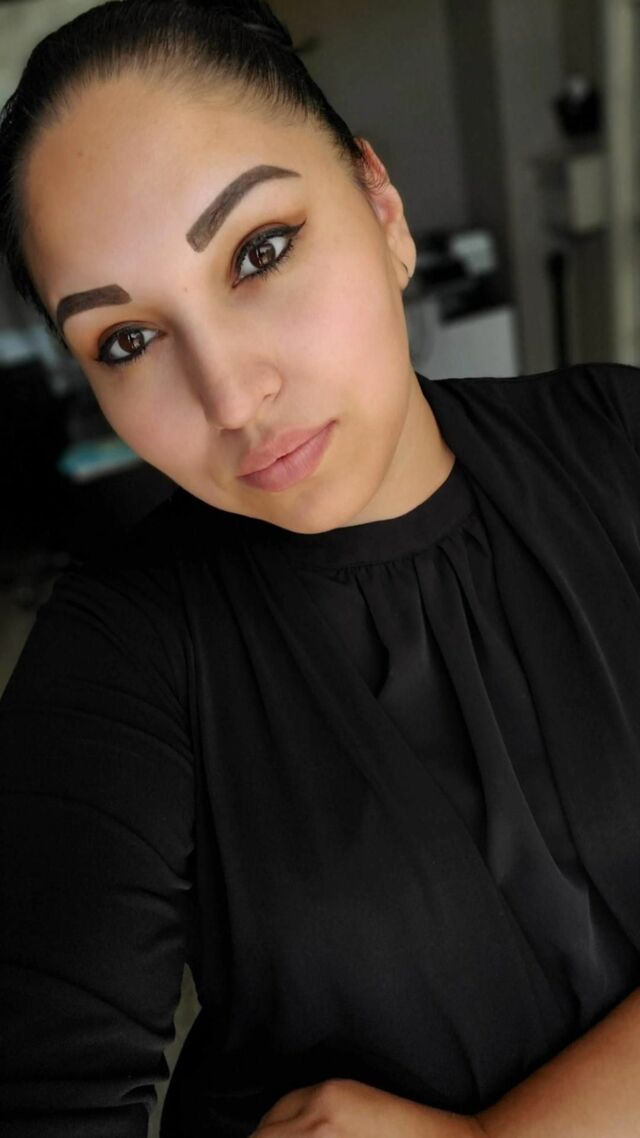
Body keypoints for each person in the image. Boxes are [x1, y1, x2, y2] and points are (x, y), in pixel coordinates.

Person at [1, 1, 639, 1136]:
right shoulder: (117, 656)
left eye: (260, 251)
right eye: (127, 341)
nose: (230, 396)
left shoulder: (621, 441)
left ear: (381, 208)